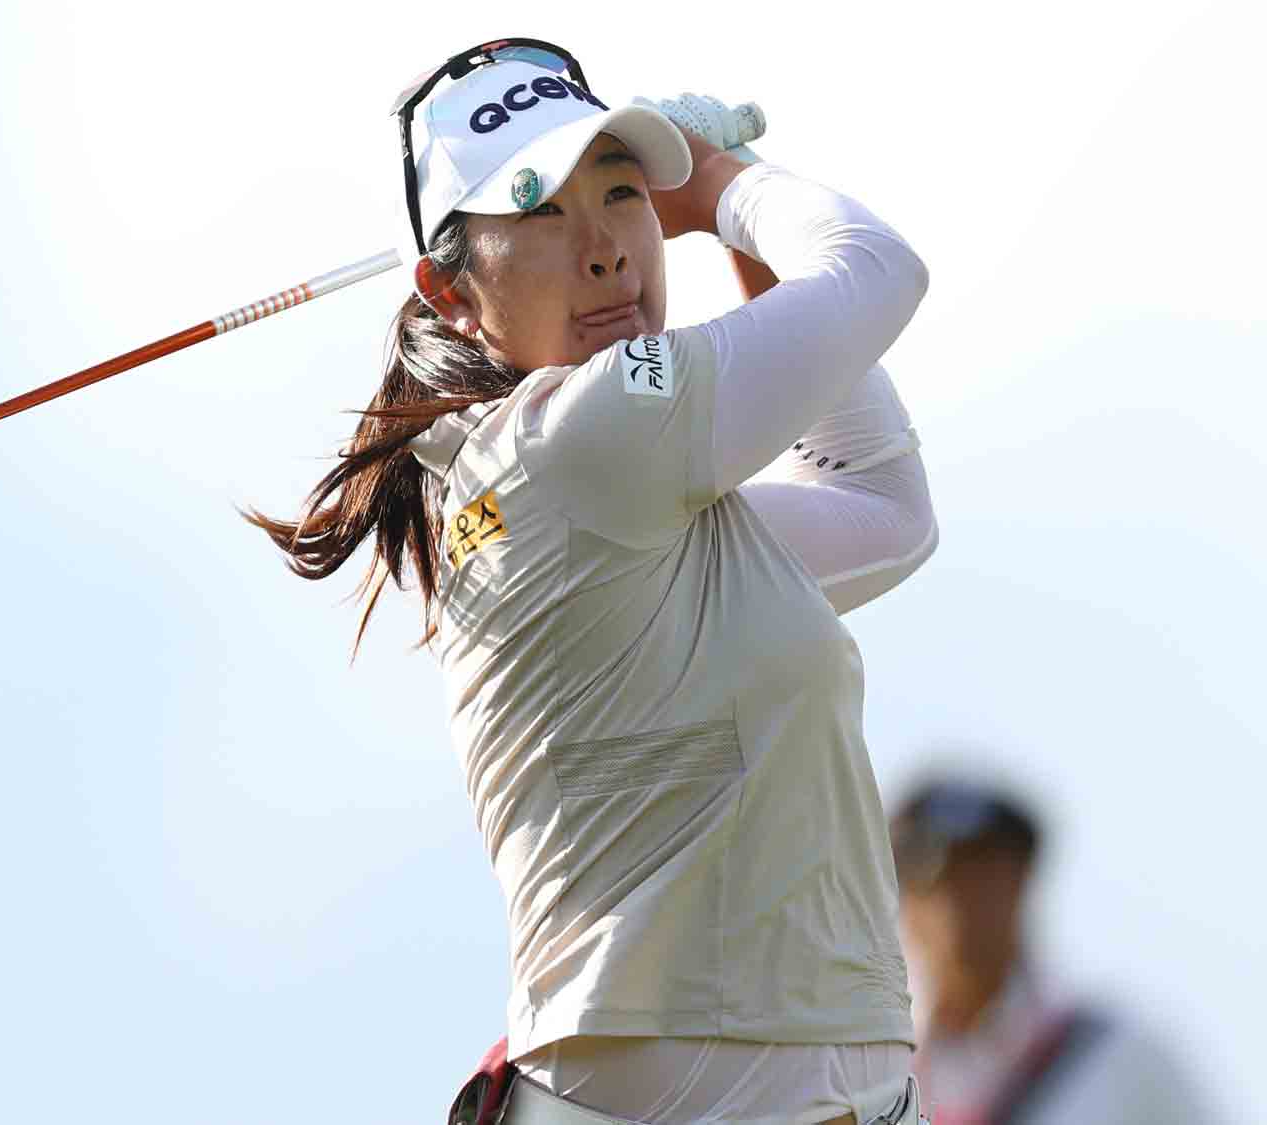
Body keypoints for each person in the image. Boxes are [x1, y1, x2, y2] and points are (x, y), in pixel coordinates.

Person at [248, 38, 937, 1124]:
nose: (608, 249)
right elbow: (875, 270)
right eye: (539, 211)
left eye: (621, 195)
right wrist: (722, 186)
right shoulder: (584, 438)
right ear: (449, 290)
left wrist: (724, 231)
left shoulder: (618, 491)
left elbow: (881, 507)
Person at [891, 779, 1213, 1124]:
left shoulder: (1125, 1061)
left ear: (1021, 884)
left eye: (982, 875)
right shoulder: (865, 1079)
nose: (957, 905)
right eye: (934, 876)